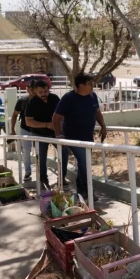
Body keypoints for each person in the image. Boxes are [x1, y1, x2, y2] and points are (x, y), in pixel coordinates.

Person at [52, 72, 107, 201]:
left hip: (88, 137)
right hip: (73, 137)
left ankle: (81, 190)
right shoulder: (68, 98)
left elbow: (97, 112)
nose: (93, 85)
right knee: (85, 163)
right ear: (81, 85)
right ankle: (88, 191)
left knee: (84, 164)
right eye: (90, 83)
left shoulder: (93, 96)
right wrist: (59, 135)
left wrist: (103, 126)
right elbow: (56, 117)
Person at [25, 81, 61, 189]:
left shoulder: (55, 99)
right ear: (35, 92)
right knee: (41, 158)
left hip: (55, 133)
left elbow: (62, 114)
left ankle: (62, 178)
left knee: (63, 153)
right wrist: (46, 125)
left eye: (45, 91)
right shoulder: (32, 103)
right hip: (39, 134)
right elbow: (29, 122)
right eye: (40, 92)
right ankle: (43, 180)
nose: (43, 94)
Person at [10, 81, 37, 182]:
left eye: (34, 90)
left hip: (38, 130)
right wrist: (12, 129)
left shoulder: (40, 100)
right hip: (25, 129)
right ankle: (27, 171)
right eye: (30, 90)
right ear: (27, 89)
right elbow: (14, 115)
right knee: (26, 151)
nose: (32, 92)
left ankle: (40, 172)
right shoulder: (22, 100)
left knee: (40, 151)